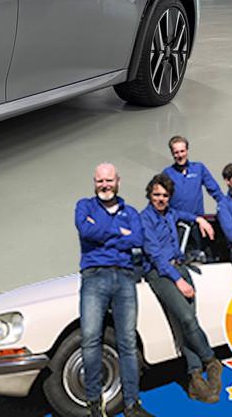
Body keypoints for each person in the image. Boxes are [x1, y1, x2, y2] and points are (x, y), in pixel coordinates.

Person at [76, 164, 154, 417]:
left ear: (118, 181)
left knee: (128, 342)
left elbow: (137, 240)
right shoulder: (84, 206)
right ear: (94, 182)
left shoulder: (130, 212)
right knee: (90, 339)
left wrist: (103, 235)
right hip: (94, 277)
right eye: (100, 181)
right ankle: (94, 405)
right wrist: (120, 234)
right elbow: (85, 230)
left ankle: (132, 405)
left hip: (124, 278)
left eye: (109, 180)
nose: (105, 185)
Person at [141, 173, 222, 403]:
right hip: (161, 273)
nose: (161, 199)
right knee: (186, 319)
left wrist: (200, 220)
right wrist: (179, 280)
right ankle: (211, 360)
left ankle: (194, 378)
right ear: (149, 195)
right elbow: (156, 256)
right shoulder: (144, 219)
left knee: (188, 322)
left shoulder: (171, 213)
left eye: (165, 195)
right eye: (157, 195)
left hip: (180, 266)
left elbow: (185, 215)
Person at [163, 136, 219, 252]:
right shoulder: (167, 174)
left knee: (200, 254)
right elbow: (162, 203)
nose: (180, 155)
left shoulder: (199, 168)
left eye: (182, 151)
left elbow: (215, 191)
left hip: (198, 224)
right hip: (177, 225)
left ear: (187, 151)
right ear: (172, 153)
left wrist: (227, 209)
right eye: (176, 152)